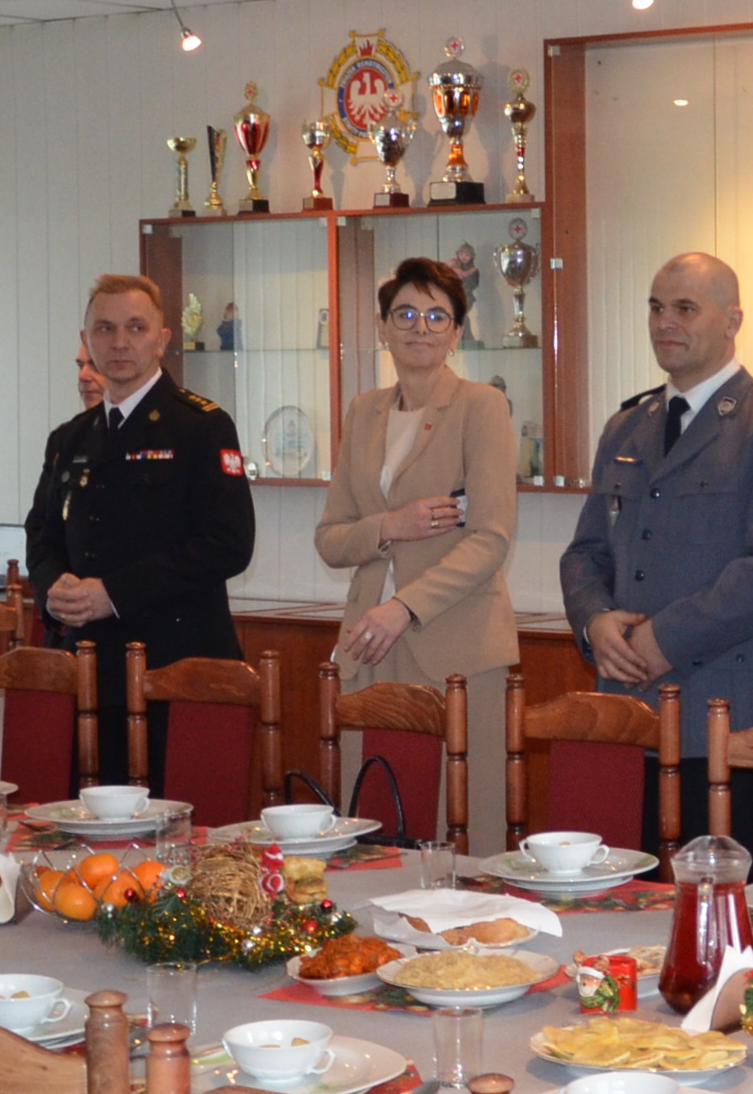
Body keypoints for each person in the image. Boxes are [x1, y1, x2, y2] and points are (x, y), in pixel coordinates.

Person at [558, 251, 753, 829]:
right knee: (624, 884)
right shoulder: (626, 426)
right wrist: (594, 622)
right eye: (656, 308)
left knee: (716, 886)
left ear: (733, 321)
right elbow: (586, 552)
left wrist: (665, 639)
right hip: (626, 716)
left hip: (725, 721)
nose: (664, 323)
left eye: (685, 309)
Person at [26, 273, 259, 786]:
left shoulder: (201, 426)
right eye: (105, 329)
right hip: (89, 671)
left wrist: (114, 594)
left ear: (162, 339)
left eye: (136, 327)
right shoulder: (70, 438)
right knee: (87, 824)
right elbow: (41, 535)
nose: (119, 342)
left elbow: (228, 544)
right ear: (86, 341)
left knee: (181, 824)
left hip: (177, 669)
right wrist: (53, 588)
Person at [317, 257, 517, 846]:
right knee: (372, 822)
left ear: (457, 331)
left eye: (436, 316)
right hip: (368, 643)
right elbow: (331, 538)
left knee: (463, 830)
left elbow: (491, 538)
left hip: (454, 643)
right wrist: (390, 525)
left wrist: (403, 608)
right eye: (404, 314)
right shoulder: (364, 411)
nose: (420, 328)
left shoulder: (482, 406)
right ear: (382, 327)